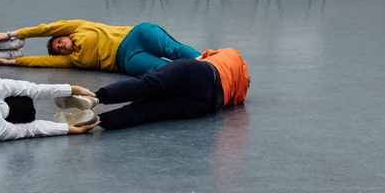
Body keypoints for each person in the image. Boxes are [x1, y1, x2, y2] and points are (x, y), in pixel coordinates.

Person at [67, 48, 249, 131]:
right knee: (147, 111)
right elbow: (229, 103)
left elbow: (201, 57)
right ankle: (97, 121)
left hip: (200, 72)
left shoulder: (233, 54)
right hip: (203, 103)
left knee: (146, 85)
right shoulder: (241, 95)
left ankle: (95, 98)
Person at [0, 19, 200, 76]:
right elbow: (39, 62)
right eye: (59, 48)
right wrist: (10, 62)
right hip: (126, 59)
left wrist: (12, 34)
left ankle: (208, 62)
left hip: (136, 35)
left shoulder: (78, 27)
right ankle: (203, 77)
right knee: (162, 70)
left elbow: (46, 29)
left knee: (174, 49)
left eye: (59, 40)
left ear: (64, 35)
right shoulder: (71, 60)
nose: (61, 45)